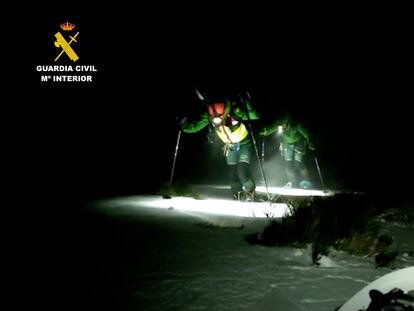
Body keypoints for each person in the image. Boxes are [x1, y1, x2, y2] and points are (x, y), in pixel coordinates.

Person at [180, 93, 259, 201]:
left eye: (221, 116)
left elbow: (254, 115)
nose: (218, 119)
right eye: (215, 116)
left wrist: (247, 103)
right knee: (232, 173)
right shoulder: (209, 115)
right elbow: (195, 126)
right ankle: (237, 193)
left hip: (244, 143)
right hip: (230, 146)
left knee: (242, 170)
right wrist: (184, 125)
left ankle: (250, 192)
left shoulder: (235, 110)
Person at [260, 114, 316, 189]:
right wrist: (265, 131)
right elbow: (271, 128)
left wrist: (310, 142)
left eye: (283, 126)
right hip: (286, 143)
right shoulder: (278, 122)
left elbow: (306, 133)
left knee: (298, 163)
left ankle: (306, 181)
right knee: (288, 164)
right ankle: (292, 182)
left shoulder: (296, 123)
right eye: (280, 126)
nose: (282, 128)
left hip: (298, 142)